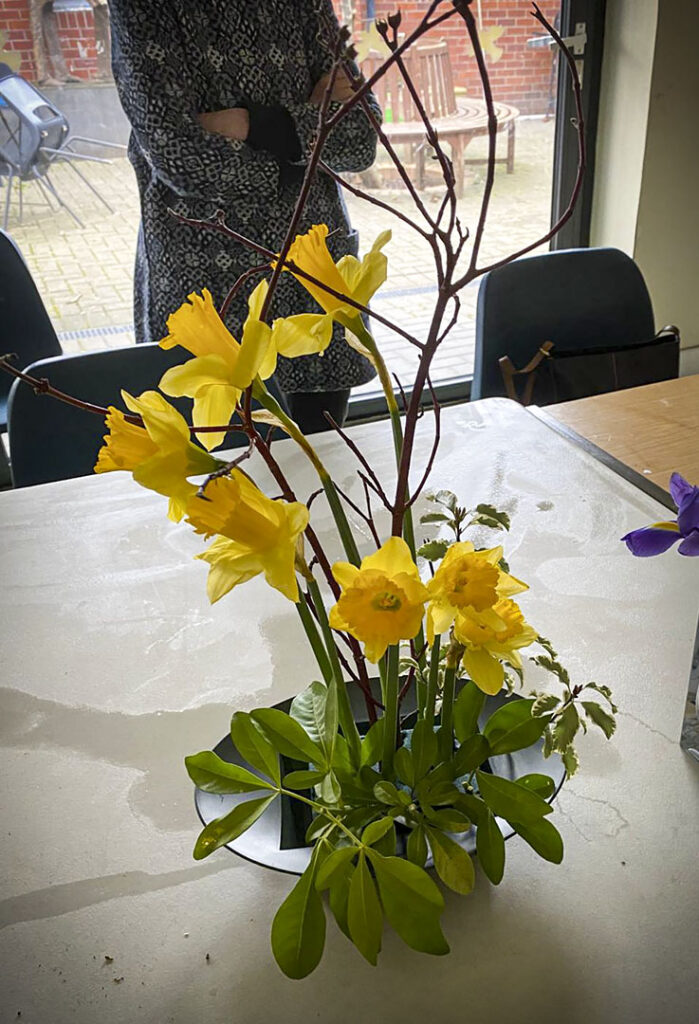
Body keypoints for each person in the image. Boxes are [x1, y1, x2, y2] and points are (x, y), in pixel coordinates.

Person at [107, 0, 379, 430]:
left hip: (311, 276)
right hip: (208, 283)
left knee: (328, 470)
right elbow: (179, 156)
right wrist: (303, 138)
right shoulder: (145, 7)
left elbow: (362, 135)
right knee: (220, 478)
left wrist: (247, 125)